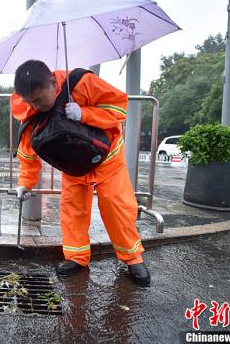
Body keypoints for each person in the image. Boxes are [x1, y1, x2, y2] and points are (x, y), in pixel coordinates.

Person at [11, 60, 150, 286]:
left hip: (106, 155)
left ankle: (133, 258)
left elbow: (118, 108)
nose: (34, 106)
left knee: (117, 206)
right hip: (73, 164)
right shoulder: (28, 106)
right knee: (73, 210)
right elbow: (27, 149)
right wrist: (25, 183)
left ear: (53, 83)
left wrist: (84, 113)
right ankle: (76, 257)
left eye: (38, 100)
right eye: (29, 102)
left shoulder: (82, 82)